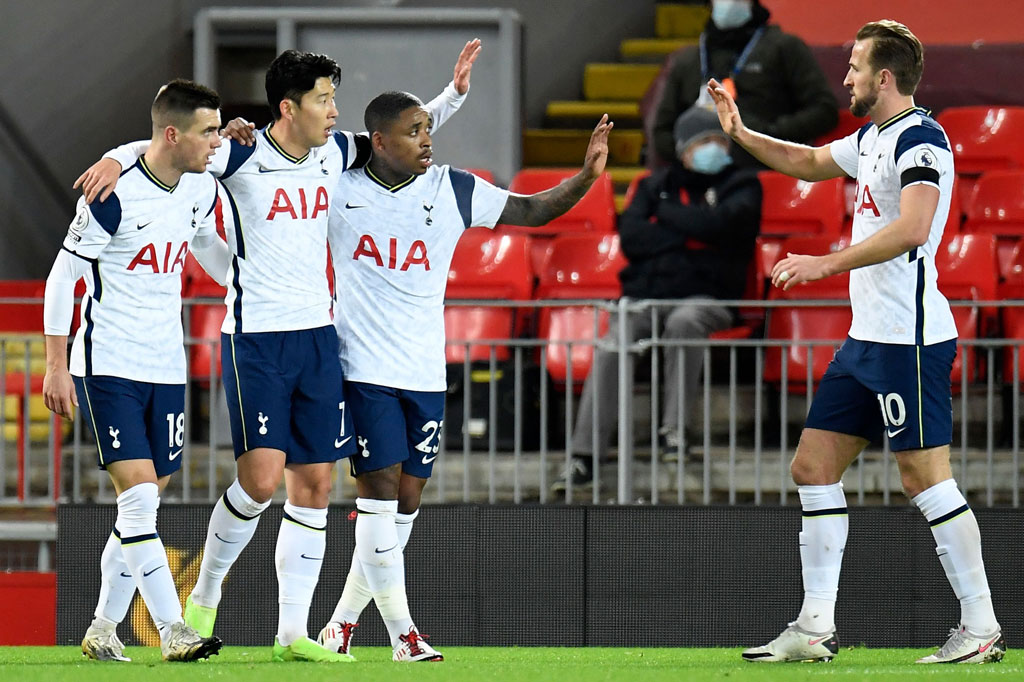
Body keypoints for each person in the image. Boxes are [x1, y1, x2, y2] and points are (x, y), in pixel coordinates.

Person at [75, 41, 481, 663]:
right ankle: (206, 593)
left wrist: (451, 97)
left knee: (315, 484)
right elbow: (173, 146)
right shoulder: (239, 154)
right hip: (256, 339)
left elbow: (397, 135)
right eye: (324, 99)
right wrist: (116, 156)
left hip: (319, 338)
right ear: (289, 107)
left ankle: (293, 634)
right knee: (261, 482)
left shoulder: (336, 153)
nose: (334, 111)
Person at [708, 20, 1005, 664]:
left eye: (855, 67)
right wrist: (741, 134)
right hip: (865, 340)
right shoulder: (872, 136)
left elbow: (914, 227)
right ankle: (814, 627)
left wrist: (825, 263)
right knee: (812, 468)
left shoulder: (922, 140)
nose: (845, 78)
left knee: (925, 480)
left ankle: (980, 625)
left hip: (910, 340)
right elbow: (808, 161)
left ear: (884, 77)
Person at [301, 92, 611, 661]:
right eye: (414, 131)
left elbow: (533, 211)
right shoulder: (337, 187)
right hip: (361, 369)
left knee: (407, 500)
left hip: (425, 370)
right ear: (379, 142)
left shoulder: (452, 188)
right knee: (380, 492)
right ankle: (404, 634)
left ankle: (340, 624)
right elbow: (280, 166)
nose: (427, 140)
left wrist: (586, 177)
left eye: (428, 128)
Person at [43, 79, 230, 663]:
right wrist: (55, 365)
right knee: (142, 498)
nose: (216, 142)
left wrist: (254, 279)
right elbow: (62, 277)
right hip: (109, 364)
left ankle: (103, 627)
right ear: (173, 134)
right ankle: (174, 630)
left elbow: (208, 247)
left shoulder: (200, 186)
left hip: (166, 366)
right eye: (207, 131)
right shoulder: (112, 194)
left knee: (140, 508)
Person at [553, 105, 761, 492]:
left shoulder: (743, 185)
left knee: (685, 321)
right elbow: (633, 239)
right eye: (704, 141)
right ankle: (585, 456)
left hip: (709, 297)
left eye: (719, 141)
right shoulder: (653, 185)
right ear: (683, 148)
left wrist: (665, 216)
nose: (714, 148)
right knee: (617, 336)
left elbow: (725, 227)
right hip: (647, 296)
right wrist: (696, 235)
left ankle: (674, 434)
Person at [651, 0, 837, 168]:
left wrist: (768, 136)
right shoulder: (688, 60)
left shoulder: (784, 47)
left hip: (762, 170)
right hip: (696, 177)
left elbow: (824, 110)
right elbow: (662, 130)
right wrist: (688, 153)